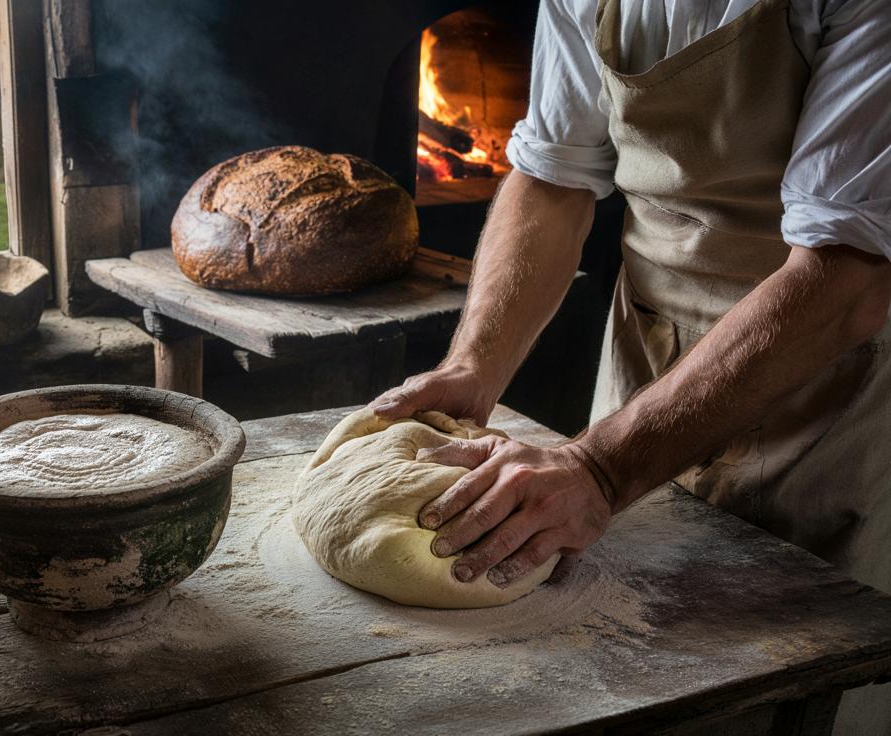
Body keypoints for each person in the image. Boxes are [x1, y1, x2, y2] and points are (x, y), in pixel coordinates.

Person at [370, 0, 890, 731]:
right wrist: (474, 363)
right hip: (646, 356)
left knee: (782, 682)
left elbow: (850, 275)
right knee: (610, 667)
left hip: (829, 375)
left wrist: (605, 470)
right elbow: (553, 175)